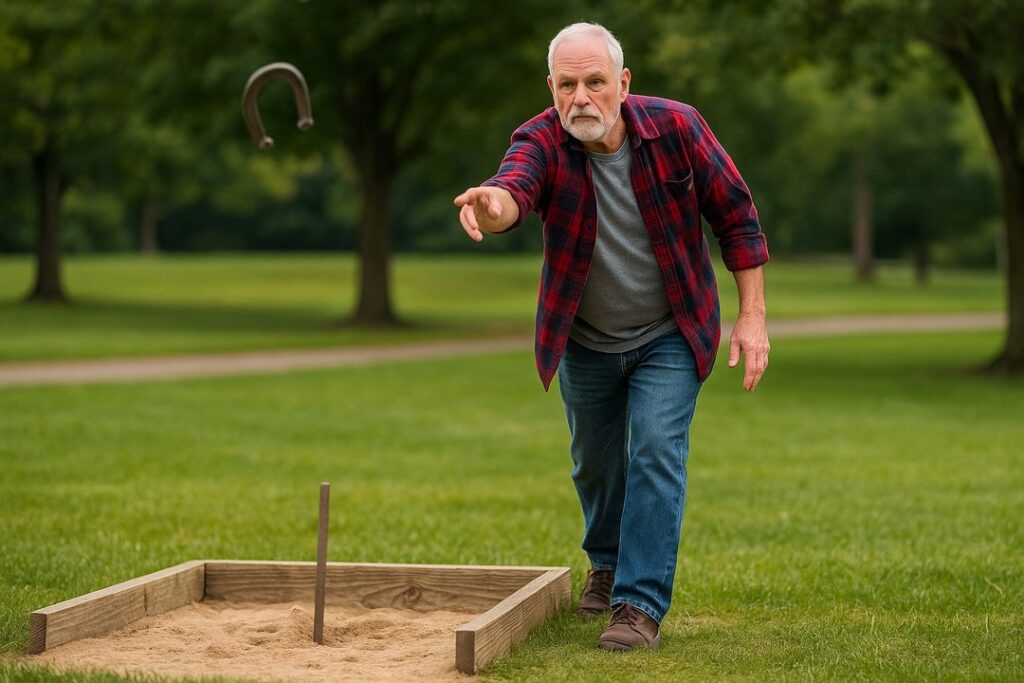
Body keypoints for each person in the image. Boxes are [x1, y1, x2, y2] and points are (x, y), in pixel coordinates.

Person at [453, 22, 770, 652]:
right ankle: (605, 563)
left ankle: (637, 605)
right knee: (594, 464)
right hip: (586, 337)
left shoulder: (679, 129)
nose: (581, 99)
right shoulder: (540, 140)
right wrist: (495, 204)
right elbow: (514, 185)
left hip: (670, 332)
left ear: (623, 84)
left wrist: (753, 315)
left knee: (655, 449)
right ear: (551, 88)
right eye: (567, 85)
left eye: (595, 82)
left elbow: (736, 216)